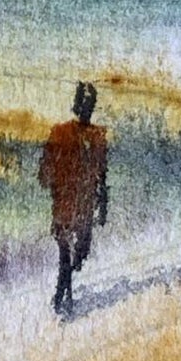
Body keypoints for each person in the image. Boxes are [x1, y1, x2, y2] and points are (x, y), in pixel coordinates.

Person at [37, 81, 108, 318]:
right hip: (64, 201)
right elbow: (46, 166)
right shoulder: (60, 132)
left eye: (91, 103)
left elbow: (102, 173)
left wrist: (103, 204)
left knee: (81, 251)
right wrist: (51, 179)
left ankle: (64, 290)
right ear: (78, 104)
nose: (88, 107)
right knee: (64, 251)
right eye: (84, 102)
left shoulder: (98, 136)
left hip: (85, 203)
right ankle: (62, 297)